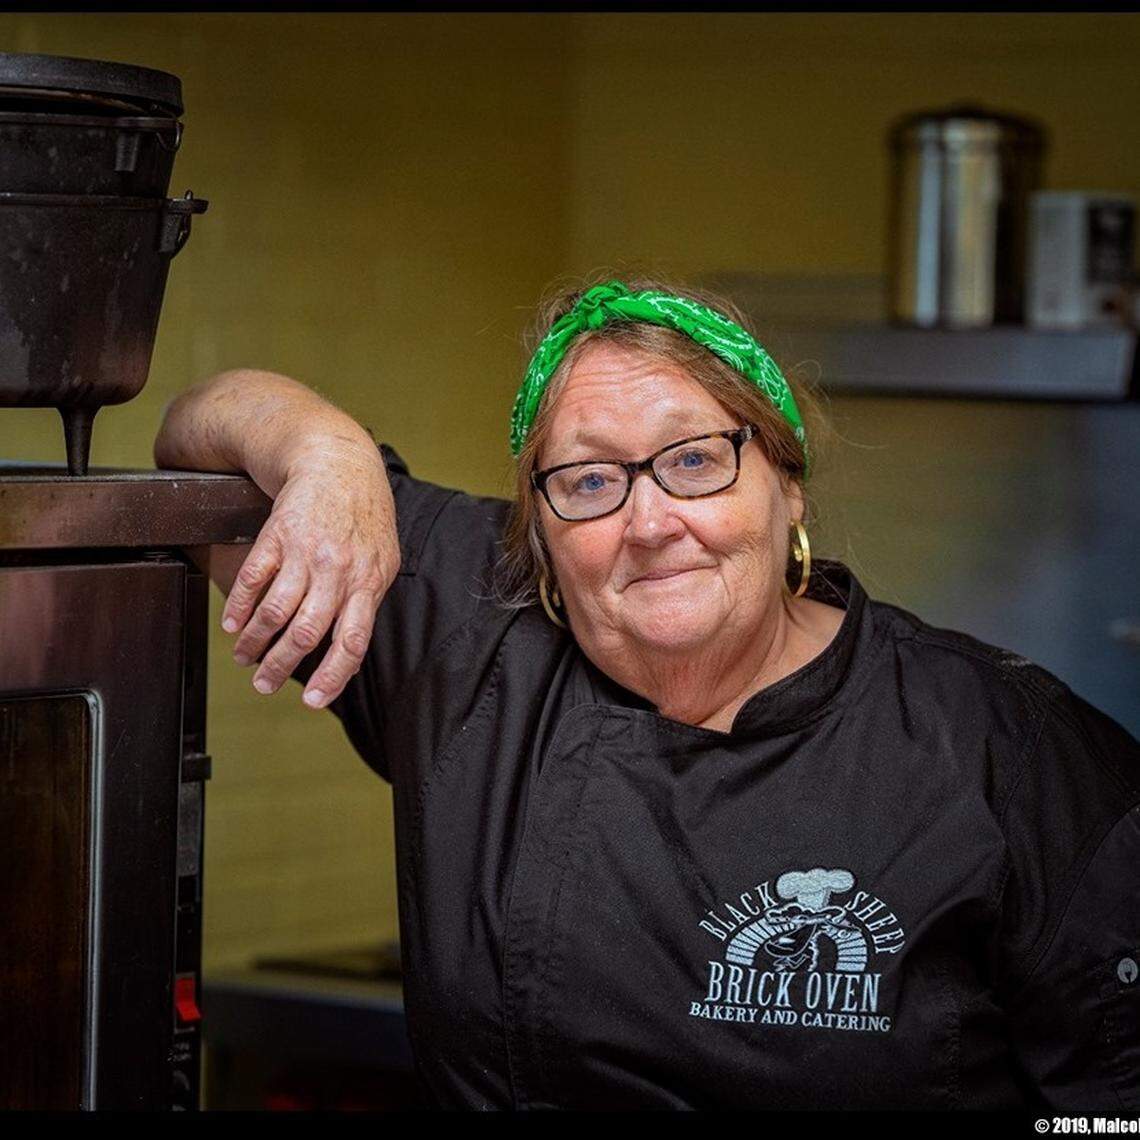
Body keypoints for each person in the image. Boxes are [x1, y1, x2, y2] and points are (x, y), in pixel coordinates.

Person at [154, 275, 1140, 1111]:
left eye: (697, 459)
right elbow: (196, 437)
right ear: (539, 531)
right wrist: (332, 453)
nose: (651, 519)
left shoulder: (1010, 750)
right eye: (587, 481)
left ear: (786, 480)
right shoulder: (473, 636)